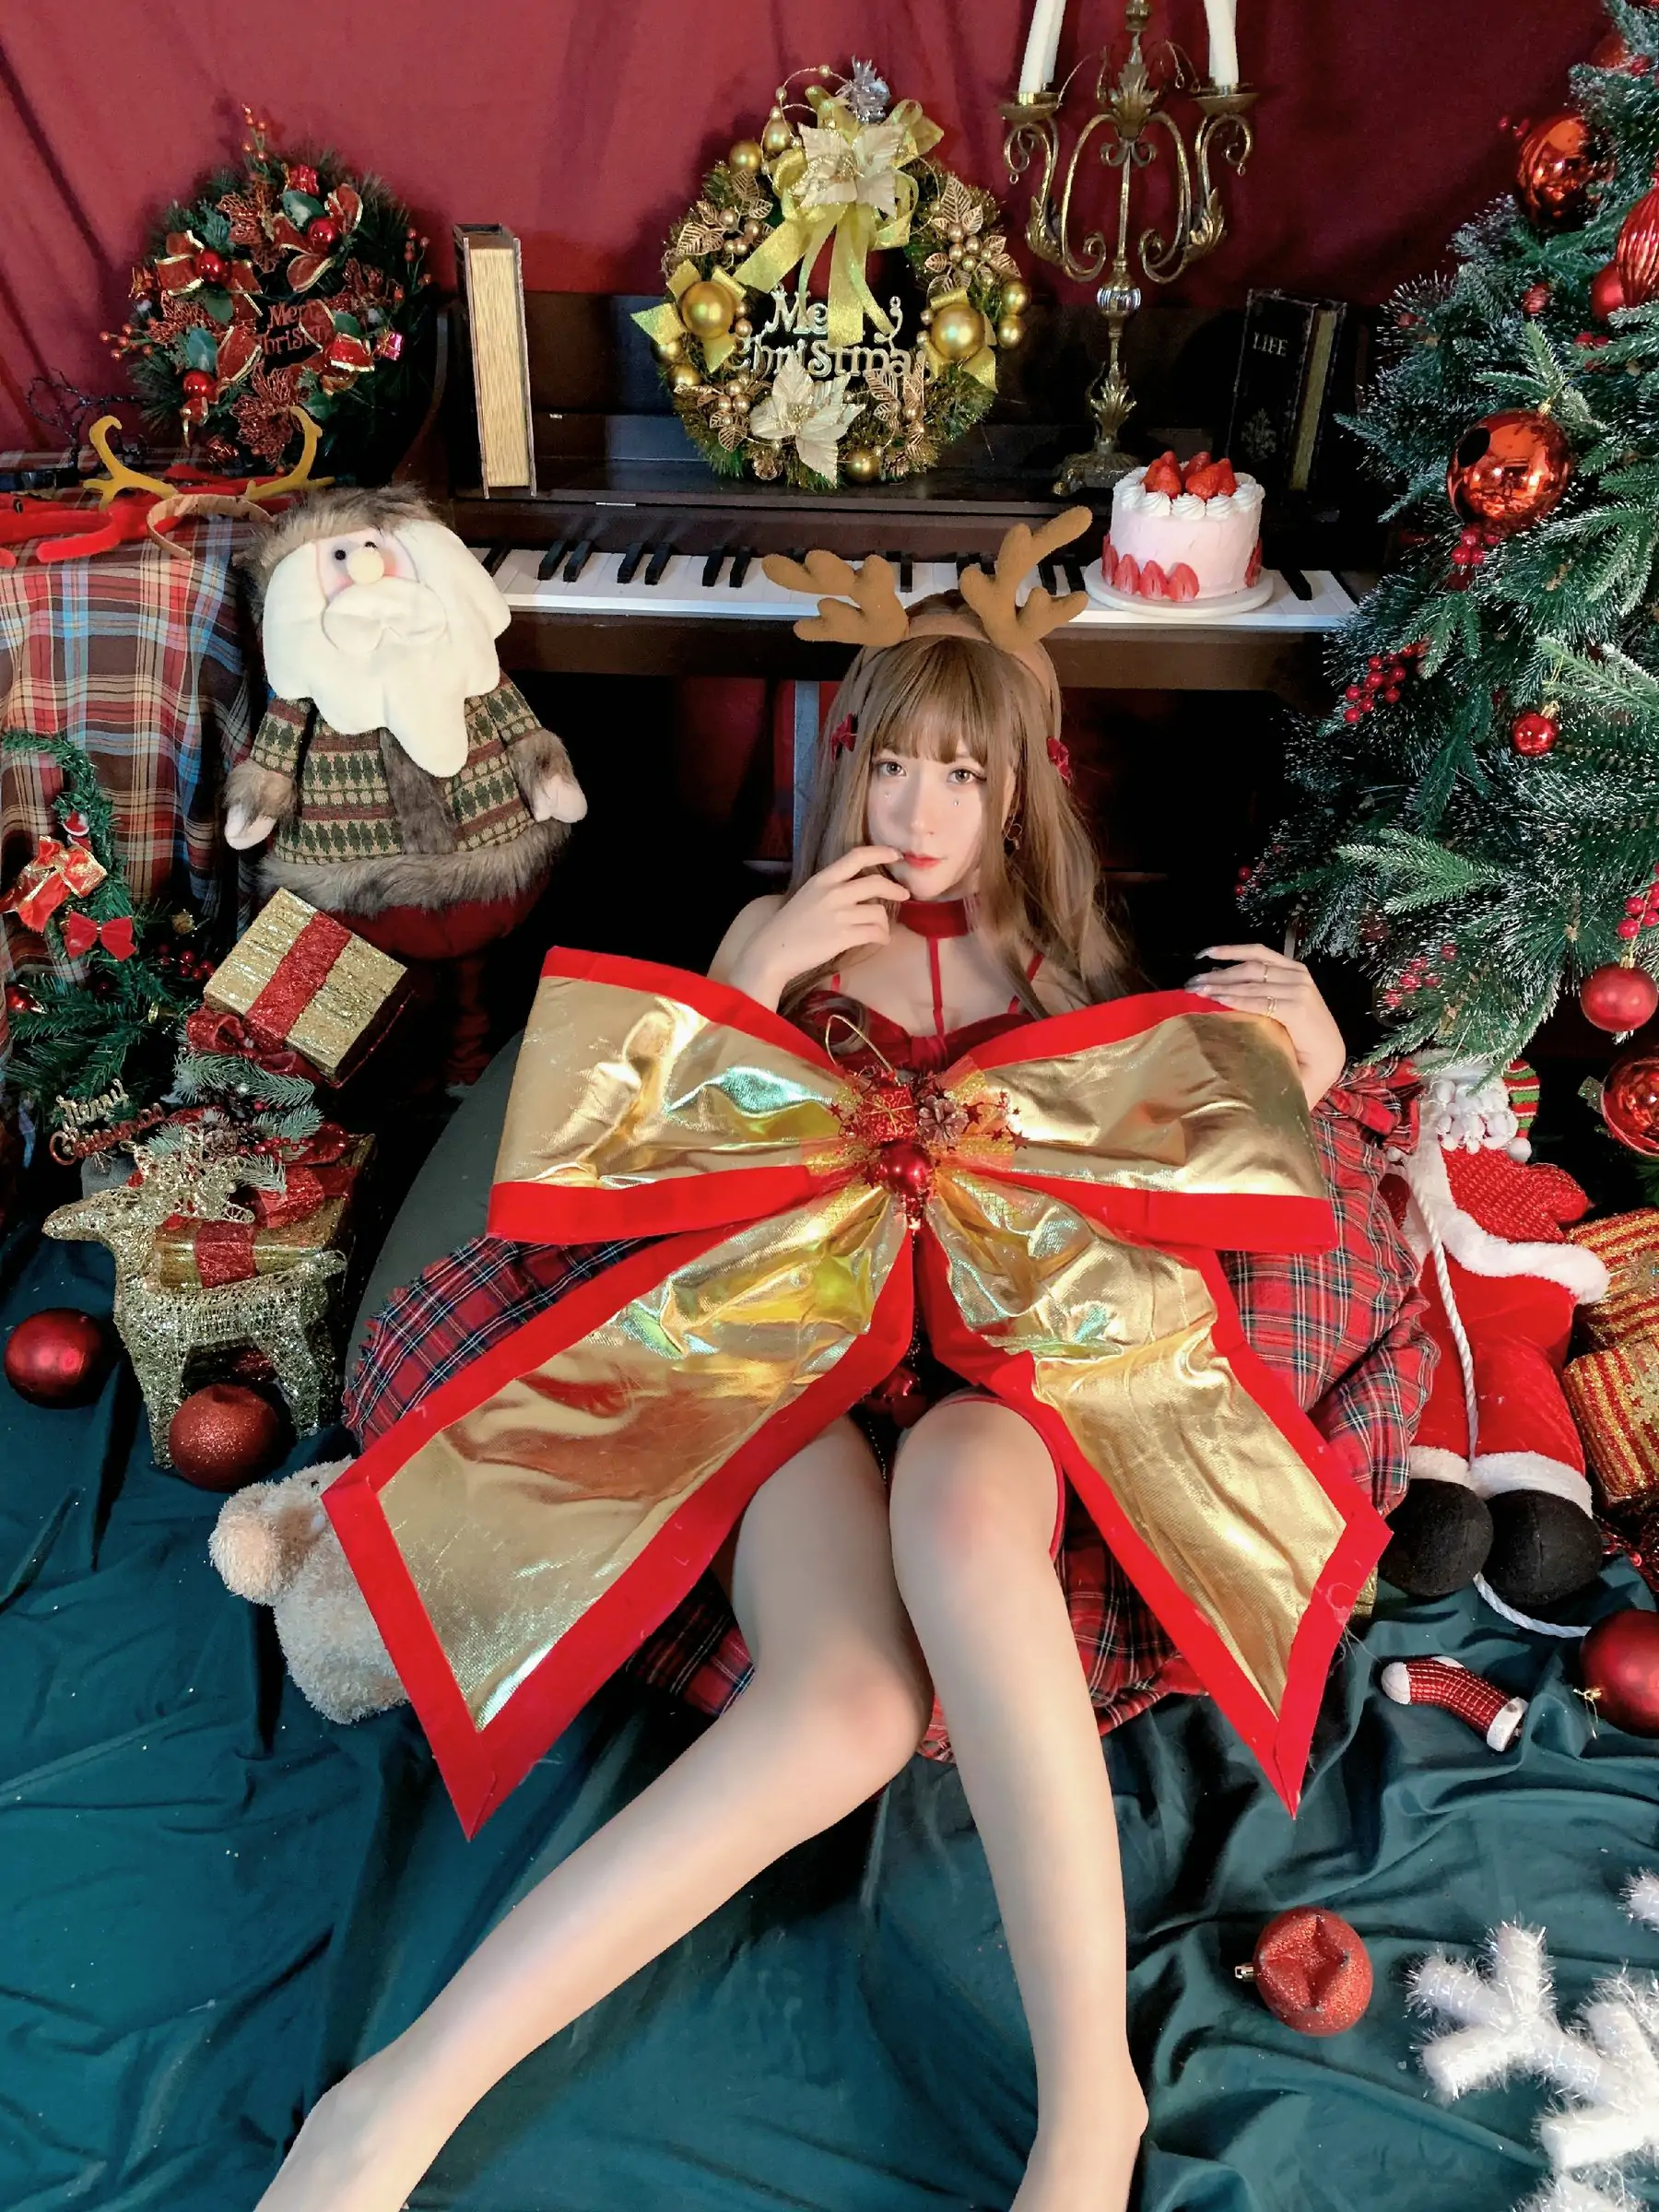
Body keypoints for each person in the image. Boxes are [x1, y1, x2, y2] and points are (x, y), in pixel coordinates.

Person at [255, 517, 1430, 2212]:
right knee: (851, 1705)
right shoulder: (781, 938)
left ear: (1020, 789)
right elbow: (643, 1167)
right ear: (846, 764)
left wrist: (1302, 1075)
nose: (917, 811)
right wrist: (742, 989)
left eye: (961, 773)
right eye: (890, 764)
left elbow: (1186, 1186)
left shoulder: (1083, 973)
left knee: (963, 1494)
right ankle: (400, 2095)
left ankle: (1088, 2101)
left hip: (1006, 1375)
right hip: (792, 1355)